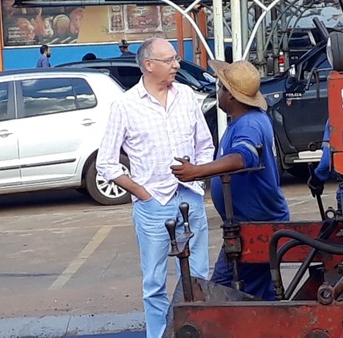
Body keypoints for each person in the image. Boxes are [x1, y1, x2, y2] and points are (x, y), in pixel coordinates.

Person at [95, 37, 215, 338]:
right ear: (149, 65)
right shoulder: (125, 106)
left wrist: (197, 177)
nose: (177, 65)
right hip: (153, 207)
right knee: (154, 284)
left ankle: (197, 332)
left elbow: (205, 144)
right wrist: (142, 193)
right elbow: (106, 163)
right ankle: (160, 334)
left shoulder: (186, 95)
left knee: (198, 278)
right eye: (170, 60)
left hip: (191, 200)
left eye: (175, 59)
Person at [171, 60, 290, 301]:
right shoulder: (245, 121)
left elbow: (243, 157)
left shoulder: (249, 124)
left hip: (255, 226)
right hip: (250, 224)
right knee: (258, 291)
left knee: (224, 292)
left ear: (231, 97)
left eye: (221, 87)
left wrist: (197, 172)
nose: (218, 91)